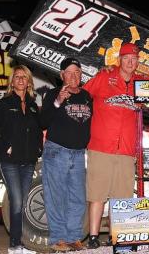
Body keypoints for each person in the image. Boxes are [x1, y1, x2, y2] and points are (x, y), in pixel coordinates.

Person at [83, 43, 145, 249]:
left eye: (134, 59)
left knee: (122, 196)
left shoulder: (141, 83)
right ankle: (93, 236)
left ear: (138, 62)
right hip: (101, 146)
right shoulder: (104, 77)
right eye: (127, 58)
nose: (130, 62)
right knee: (97, 194)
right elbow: (83, 96)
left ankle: (116, 236)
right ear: (119, 60)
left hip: (127, 149)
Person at [0, 65, 43, 254]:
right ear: (12, 81)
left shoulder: (33, 106)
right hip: (8, 162)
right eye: (17, 77)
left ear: (29, 81)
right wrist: (5, 147)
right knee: (16, 201)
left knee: (23, 203)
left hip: (28, 162)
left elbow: (36, 132)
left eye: (24, 77)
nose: (20, 80)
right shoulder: (4, 104)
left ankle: (20, 244)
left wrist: (38, 149)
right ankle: (14, 246)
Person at [40, 58, 92, 252]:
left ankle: (73, 238)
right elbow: (42, 122)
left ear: (81, 74)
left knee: (78, 197)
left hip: (79, 154)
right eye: (69, 72)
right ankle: (58, 238)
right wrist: (58, 102)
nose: (73, 76)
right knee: (56, 197)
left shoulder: (87, 96)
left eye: (77, 72)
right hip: (57, 151)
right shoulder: (53, 94)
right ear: (62, 75)